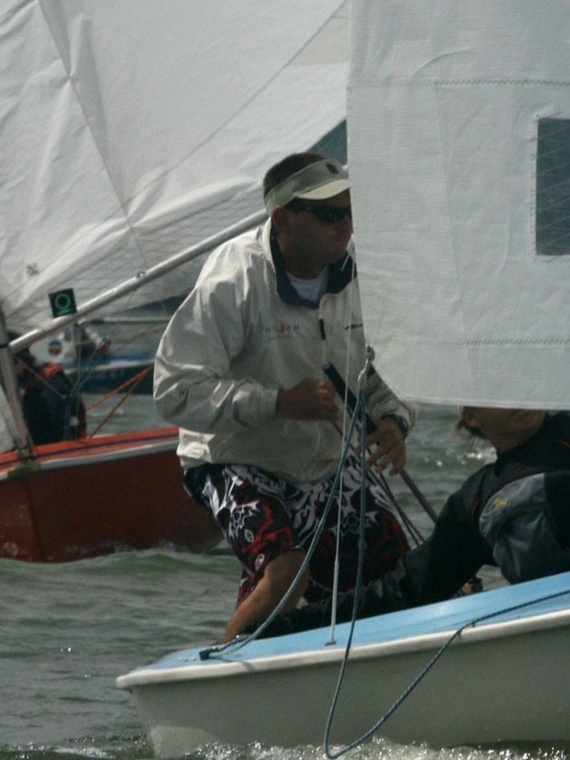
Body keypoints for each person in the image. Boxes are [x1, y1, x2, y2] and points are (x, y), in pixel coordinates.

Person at [153, 152, 416, 641]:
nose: (346, 226)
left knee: (405, 569)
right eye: (330, 214)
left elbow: (379, 372)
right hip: (233, 458)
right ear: (283, 220)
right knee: (287, 573)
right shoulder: (233, 282)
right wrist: (276, 402)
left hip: (326, 463)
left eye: (350, 211)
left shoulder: (360, 274)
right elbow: (174, 391)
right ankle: (222, 688)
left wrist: (393, 423)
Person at [254, 408, 570, 637]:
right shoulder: (474, 500)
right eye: (497, 388)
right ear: (471, 416)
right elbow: (406, 590)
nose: (516, 393)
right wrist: (288, 624)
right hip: (559, 633)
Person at [0, 333, 87, 445]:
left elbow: (50, 435)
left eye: (3, 363)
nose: (0, 370)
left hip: (53, 455)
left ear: (21, 361)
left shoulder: (49, 389)